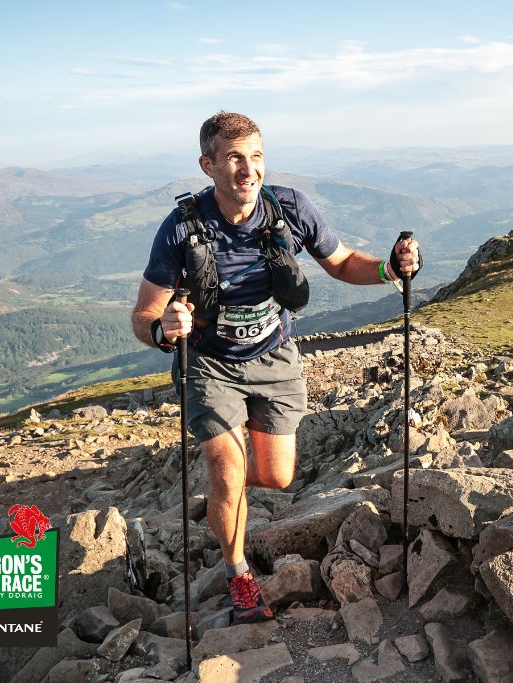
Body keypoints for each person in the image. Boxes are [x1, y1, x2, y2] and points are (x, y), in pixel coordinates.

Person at [132, 111, 420, 624]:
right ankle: (238, 572)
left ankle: (229, 498)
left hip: (275, 354)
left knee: (277, 475)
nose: (249, 170)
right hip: (209, 362)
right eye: (235, 159)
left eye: (257, 157)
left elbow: (341, 261)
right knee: (226, 465)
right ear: (209, 165)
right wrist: (163, 327)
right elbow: (143, 314)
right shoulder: (181, 227)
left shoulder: (289, 209)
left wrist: (387, 269)